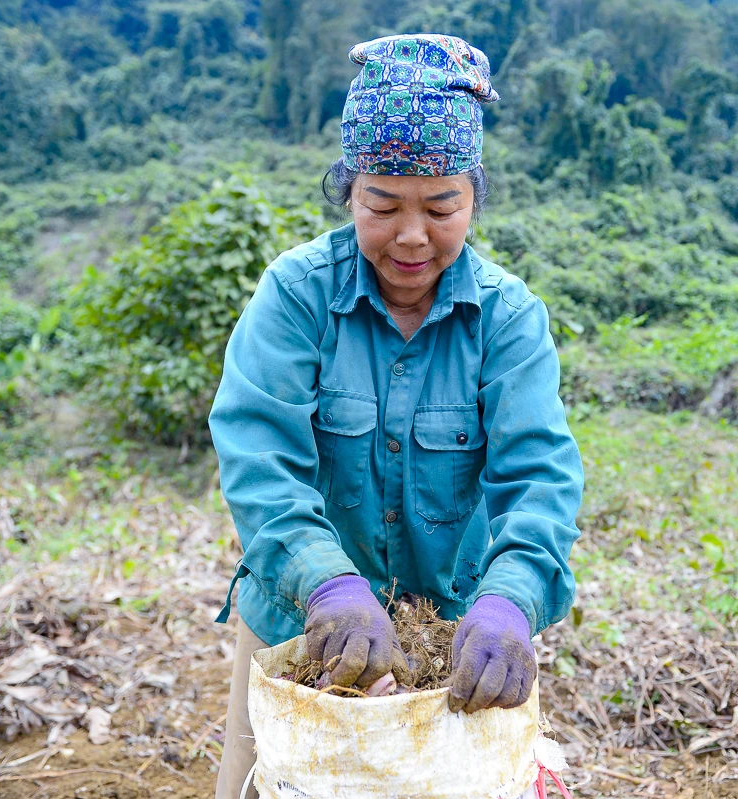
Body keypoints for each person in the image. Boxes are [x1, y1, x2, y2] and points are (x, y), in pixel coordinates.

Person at [209, 33, 584, 799]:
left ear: (474, 196)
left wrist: (512, 598)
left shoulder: (508, 319)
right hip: (299, 620)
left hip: (457, 634)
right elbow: (258, 454)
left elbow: (540, 478)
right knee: (267, 783)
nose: (412, 236)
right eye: (383, 204)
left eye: (441, 206)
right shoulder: (295, 296)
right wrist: (325, 582)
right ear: (349, 192)